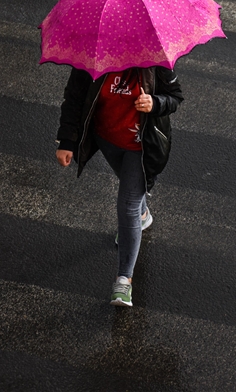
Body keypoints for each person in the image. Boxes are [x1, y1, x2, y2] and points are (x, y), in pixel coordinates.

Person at [55, 66, 183, 306]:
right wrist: (66, 141)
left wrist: (155, 103)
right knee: (131, 196)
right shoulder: (92, 58)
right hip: (107, 141)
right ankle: (143, 216)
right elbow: (74, 99)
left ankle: (124, 281)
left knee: (127, 205)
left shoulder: (155, 60)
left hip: (140, 147)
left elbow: (175, 96)